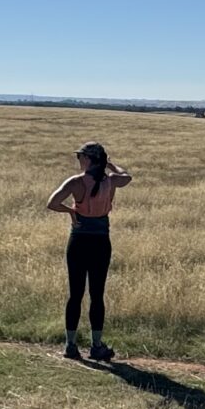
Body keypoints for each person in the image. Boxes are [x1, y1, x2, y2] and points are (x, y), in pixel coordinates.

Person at [46, 142, 130, 361]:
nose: (78, 160)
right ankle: (96, 346)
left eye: (80, 157)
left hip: (78, 241)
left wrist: (71, 212)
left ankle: (70, 345)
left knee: (75, 294)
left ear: (87, 159)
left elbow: (52, 203)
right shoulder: (110, 181)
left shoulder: (75, 182)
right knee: (97, 295)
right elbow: (127, 176)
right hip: (101, 241)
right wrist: (110, 164)